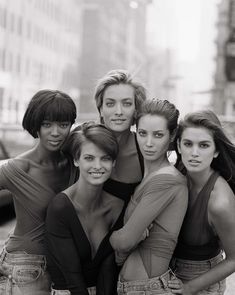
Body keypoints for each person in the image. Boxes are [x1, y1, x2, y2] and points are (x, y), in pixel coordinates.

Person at [0, 89, 78, 295]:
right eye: (47, 124)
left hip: (64, 267)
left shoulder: (74, 162)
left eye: (63, 125)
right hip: (25, 265)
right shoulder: (19, 168)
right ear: (36, 125)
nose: (55, 132)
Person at [109, 99, 188, 295]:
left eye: (158, 135)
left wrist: (114, 238)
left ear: (172, 135)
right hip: (138, 287)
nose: (149, 143)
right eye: (143, 133)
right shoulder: (147, 176)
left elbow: (125, 241)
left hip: (148, 288)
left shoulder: (166, 180)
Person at [45, 122, 124, 295]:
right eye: (89, 158)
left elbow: (108, 270)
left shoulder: (118, 206)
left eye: (105, 158)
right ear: (75, 160)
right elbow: (73, 279)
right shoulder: (60, 208)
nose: (98, 166)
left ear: (114, 162)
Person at [168, 110, 235, 295]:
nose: (194, 153)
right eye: (188, 144)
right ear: (179, 147)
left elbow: (234, 259)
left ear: (216, 152)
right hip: (169, 272)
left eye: (204, 145)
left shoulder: (220, 202)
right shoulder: (178, 171)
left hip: (201, 280)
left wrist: (190, 288)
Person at [94, 69, 146, 207]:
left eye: (127, 103)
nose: (118, 112)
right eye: (110, 104)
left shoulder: (146, 151)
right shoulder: (84, 144)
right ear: (100, 109)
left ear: (136, 110)